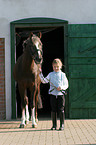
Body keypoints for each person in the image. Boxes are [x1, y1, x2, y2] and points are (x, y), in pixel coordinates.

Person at [39, 58, 68, 130]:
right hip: (52, 94)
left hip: (60, 95)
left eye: (57, 67)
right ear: (52, 66)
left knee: (61, 109)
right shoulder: (50, 74)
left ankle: (62, 125)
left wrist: (61, 87)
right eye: (54, 67)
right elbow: (44, 81)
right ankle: (54, 125)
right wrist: (40, 74)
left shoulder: (63, 75)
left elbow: (66, 85)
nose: (56, 68)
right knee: (53, 110)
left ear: (60, 66)